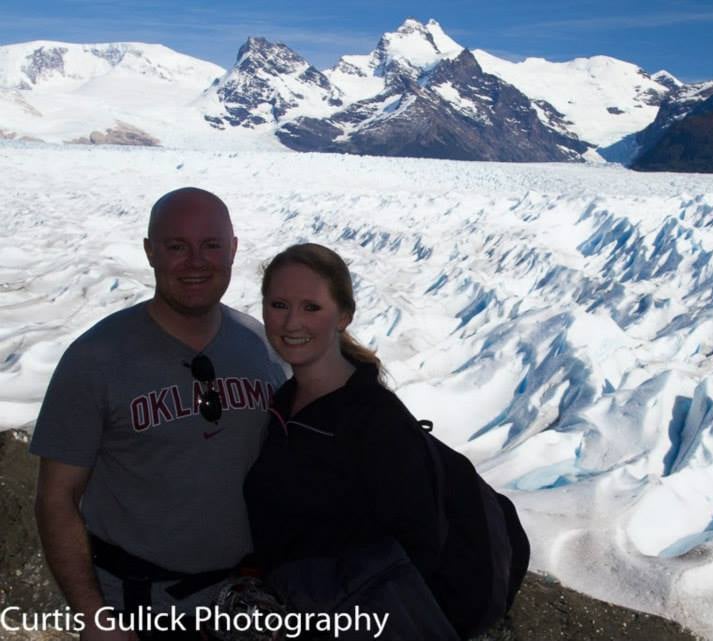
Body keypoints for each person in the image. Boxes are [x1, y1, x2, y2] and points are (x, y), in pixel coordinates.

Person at [30, 187, 286, 640]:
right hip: (140, 609)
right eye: (176, 246)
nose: (195, 261)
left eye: (211, 245)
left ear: (233, 250)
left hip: (250, 603)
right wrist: (95, 618)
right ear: (150, 252)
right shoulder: (95, 359)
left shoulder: (264, 351)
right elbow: (57, 499)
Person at [245, 243, 460, 639]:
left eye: (311, 307)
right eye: (278, 305)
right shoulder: (282, 404)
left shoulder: (377, 421)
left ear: (343, 316)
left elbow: (419, 551)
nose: (291, 322)